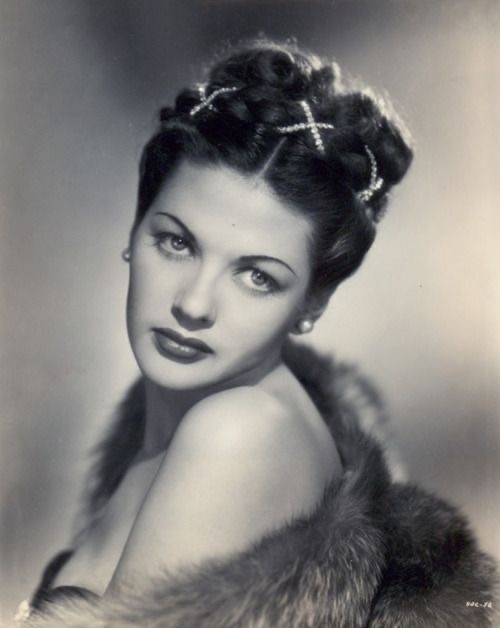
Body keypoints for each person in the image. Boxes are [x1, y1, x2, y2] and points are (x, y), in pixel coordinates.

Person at [18, 39, 497, 627]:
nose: (193, 304)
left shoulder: (238, 433)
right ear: (135, 229)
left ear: (312, 302)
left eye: (257, 277)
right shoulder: (164, 421)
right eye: (176, 242)